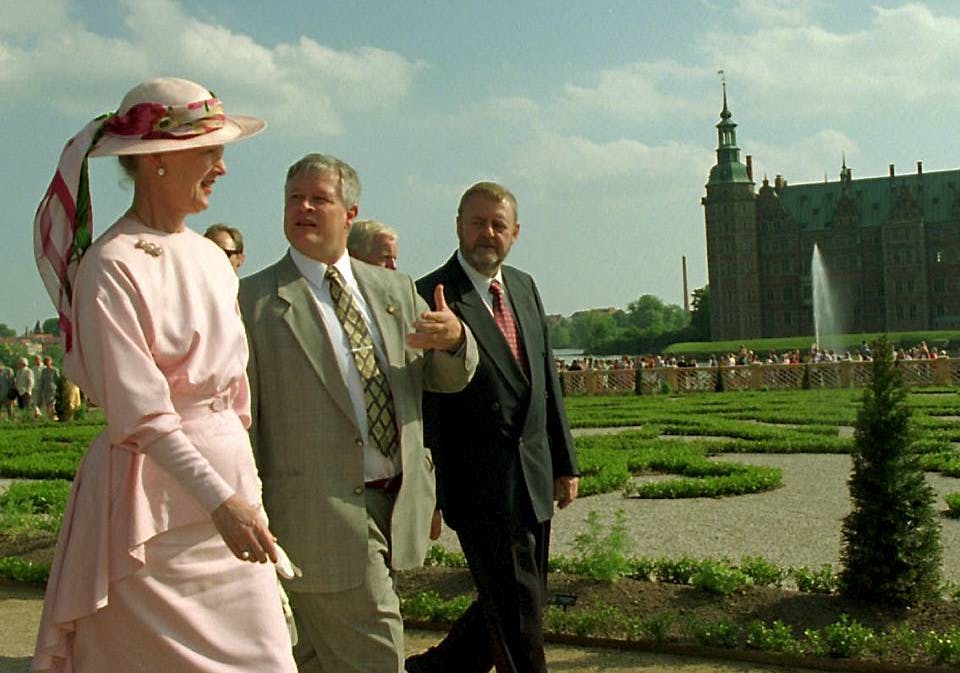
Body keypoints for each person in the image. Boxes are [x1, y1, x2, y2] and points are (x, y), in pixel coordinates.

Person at [31, 77, 296, 673]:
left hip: (230, 496)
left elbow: (235, 402)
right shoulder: (110, 266)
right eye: (210, 151)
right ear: (157, 162)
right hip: (150, 515)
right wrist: (220, 500)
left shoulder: (209, 256)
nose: (222, 168)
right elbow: (141, 414)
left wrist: (244, 493)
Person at [239, 153, 478, 673]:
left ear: (350, 213)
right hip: (315, 514)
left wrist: (457, 340)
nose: (303, 207)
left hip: (395, 505)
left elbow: (442, 379)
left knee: (317, 660)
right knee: (377, 652)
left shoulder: (395, 290)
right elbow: (242, 421)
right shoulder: (252, 301)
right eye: (293, 199)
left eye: (318, 199)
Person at [407, 181, 580, 673]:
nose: (488, 233)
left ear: (515, 233)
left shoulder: (524, 286)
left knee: (523, 594)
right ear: (458, 226)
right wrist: (430, 493)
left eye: (498, 225)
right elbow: (426, 405)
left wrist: (565, 462)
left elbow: (546, 382)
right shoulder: (429, 295)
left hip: (534, 473)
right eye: (477, 223)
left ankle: (438, 669)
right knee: (519, 608)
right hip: (476, 483)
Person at [38, 356, 60, 420]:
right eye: (46, 361)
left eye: (48, 361)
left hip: (52, 389)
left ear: (51, 362)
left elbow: (57, 379)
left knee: (51, 403)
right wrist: (41, 390)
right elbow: (42, 381)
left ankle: (52, 417)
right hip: (45, 390)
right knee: (48, 404)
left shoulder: (54, 370)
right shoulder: (44, 371)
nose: (47, 362)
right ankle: (50, 417)